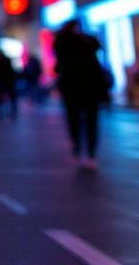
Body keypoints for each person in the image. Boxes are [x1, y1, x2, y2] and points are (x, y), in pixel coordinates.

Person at [53, 20, 108, 169]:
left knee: (74, 118)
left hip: (73, 87)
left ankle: (79, 147)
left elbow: (58, 66)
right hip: (88, 86)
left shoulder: (63, 41)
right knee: (91, 120)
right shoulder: (87, 41)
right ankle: (90, 153)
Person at [0, 50, 19, 119]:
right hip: (7, 81)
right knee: (10, 95)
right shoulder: (6, 60)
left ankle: (2, 110)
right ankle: (12, 109)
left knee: (1, 96)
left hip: (2, 81)